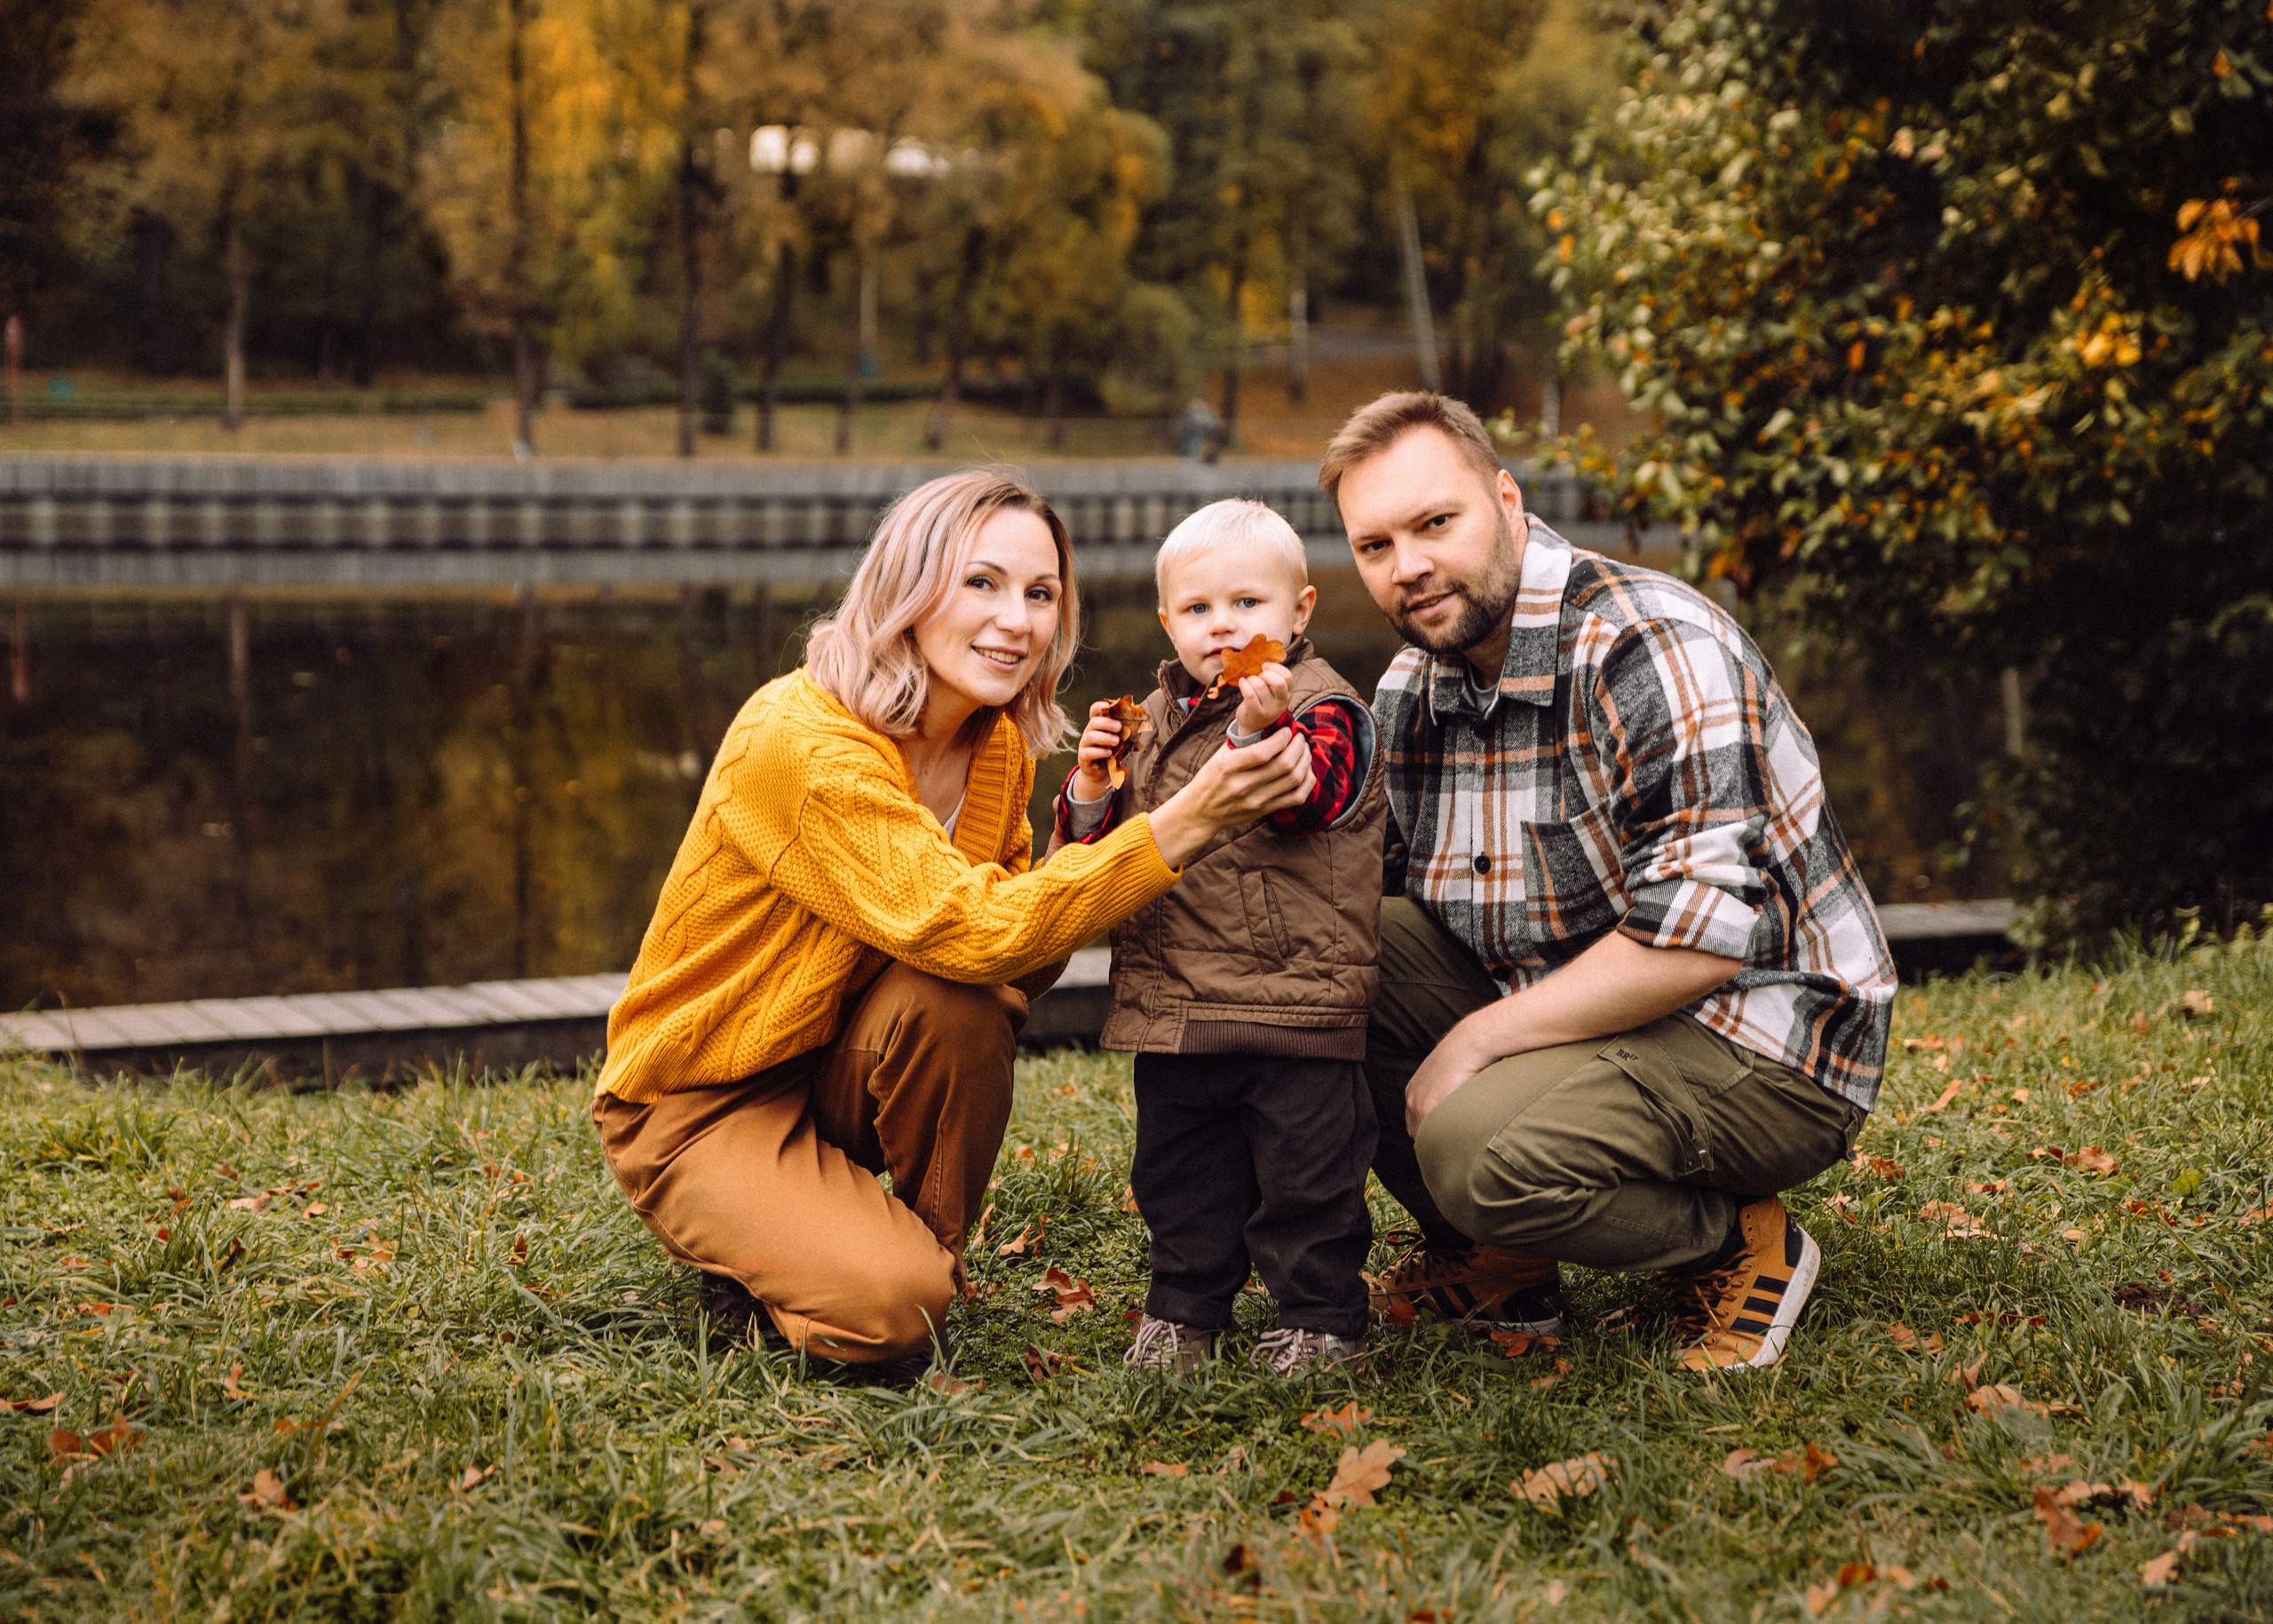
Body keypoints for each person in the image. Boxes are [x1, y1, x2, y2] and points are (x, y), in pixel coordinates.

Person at [590, 470, 1318, 1375]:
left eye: (1040, 594)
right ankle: (838, 1269)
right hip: (703, 1096)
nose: (1017, 620)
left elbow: (1011, 964)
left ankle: (915, 1257)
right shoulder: (800, 739)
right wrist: (1186, 821)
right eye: (981, 582)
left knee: (965, 1003)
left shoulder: (995, 741)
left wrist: (1089, 823)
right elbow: (978, 928)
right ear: (908, 586)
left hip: (833, 1061)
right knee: (890, 1314)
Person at [1325, 392, 1896, 1372]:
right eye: (1375, 545)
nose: (1406, 565)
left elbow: (1697, 941)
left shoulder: (1646, 644)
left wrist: (1473, 1039)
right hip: (1582, 1005)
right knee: (1335, 960)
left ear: (1507, 501)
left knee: (1475, 1149)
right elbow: (1350, 895)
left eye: (1435, 523)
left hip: (1763, 1035)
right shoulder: (1413, 688)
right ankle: (1502, 1261)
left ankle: (1737, 1242)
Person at [1050, 500, 1388, 1376]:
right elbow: (1101, 856)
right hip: (1175, 1005)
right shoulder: (1155, 720)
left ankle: (1319, 1316)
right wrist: (1092, 784)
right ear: (1168, 621)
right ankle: (1183, 1311)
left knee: (1308, 1181)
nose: (1224, 625)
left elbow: (1303, 799)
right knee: (1180, 1176)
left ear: (1299, 612)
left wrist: (1252, 729)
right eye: (1199, 608)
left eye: (1248, 603)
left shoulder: (1323, 706)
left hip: (1295, 1003)